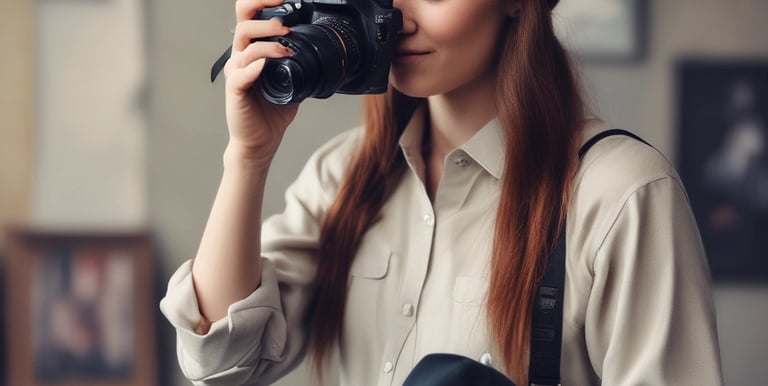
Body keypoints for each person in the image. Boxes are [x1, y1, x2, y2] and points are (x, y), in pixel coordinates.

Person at [160, 0, 724, 384]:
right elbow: (223, 363)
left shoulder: (620, 192)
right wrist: (248, 157)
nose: (397, 16)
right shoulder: (343, 174)